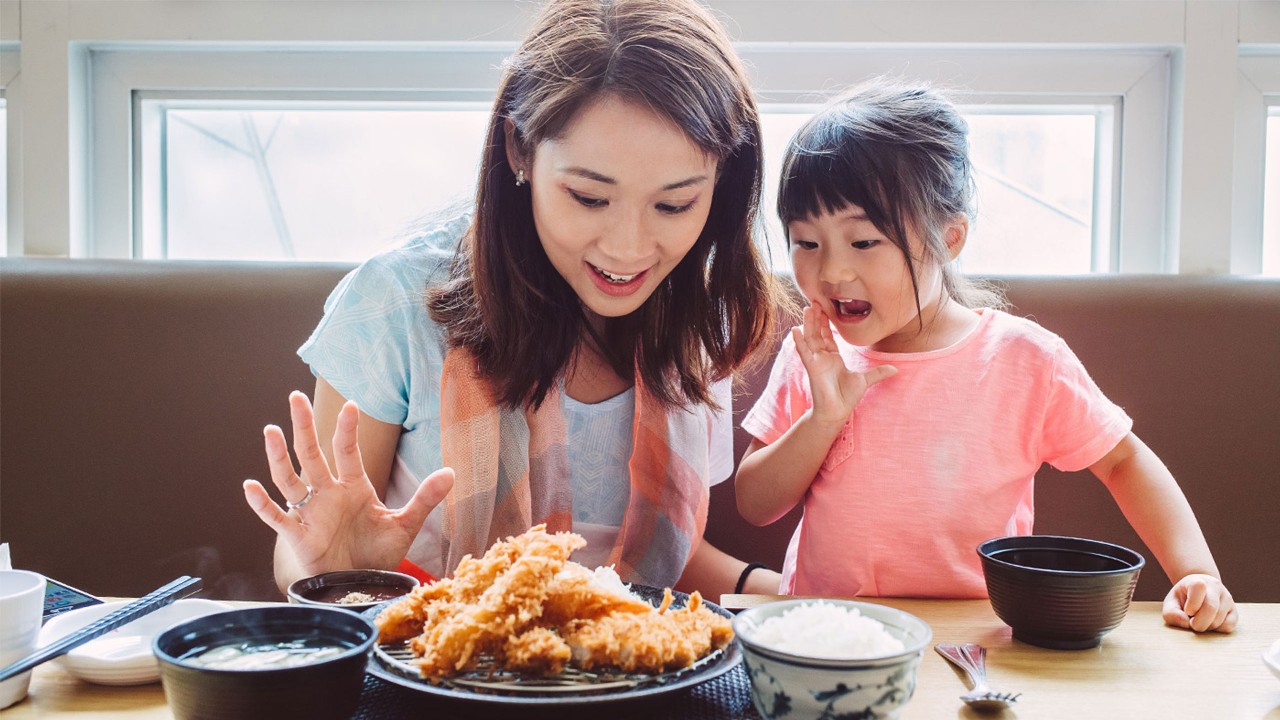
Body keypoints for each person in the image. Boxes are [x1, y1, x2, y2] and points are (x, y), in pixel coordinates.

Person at [241, 0, 787, 599]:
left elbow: (655, 560)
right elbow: (317, 544)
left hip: (631, 678)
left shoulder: (698, 315)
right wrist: (334, 574)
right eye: (588, 197)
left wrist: (792, 596)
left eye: (674, 205)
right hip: (434, 669)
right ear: (518, 150)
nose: (629, 248)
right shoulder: (395, 302)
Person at [734, 81, 1237, 633]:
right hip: (829, 632)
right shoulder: (815, 352)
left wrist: (1196, 572)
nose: (831, 272)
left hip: (979, 639)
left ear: (948, 238)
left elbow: (1123, 461)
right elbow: (755, 503)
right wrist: (823, 418)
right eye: (806, 243)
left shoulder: (1023, 359)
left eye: (863, 242)